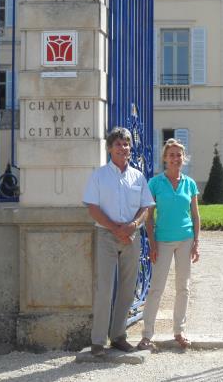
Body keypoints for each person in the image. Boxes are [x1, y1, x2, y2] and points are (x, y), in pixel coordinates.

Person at [83, 127, 155, 357]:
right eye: (118, 144)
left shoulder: (138, 176)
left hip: (132, 237)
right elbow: (92, 208)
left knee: (127, 288)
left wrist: (133, 226)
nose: (123, 148)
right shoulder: (99, 175)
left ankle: (118, 336)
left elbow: (146, 207)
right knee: (104, 288)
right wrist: (116, 228)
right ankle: (97, 341)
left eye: (126, 144)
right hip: (106, 235)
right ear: (109, 148)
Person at [138, 138, 201, 351]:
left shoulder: (190, 183)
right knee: (156, 288)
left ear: (183, 158)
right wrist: (152, 244)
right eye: (171, 155)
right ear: (165, 158)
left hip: (185, 239)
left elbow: (195, 216)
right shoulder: (155, 183)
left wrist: (196, 242)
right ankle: (147, 335)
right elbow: (148, 217)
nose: (175, 159)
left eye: (179, 155)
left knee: (184, 287)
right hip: (163, 240)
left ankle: (179, 331)